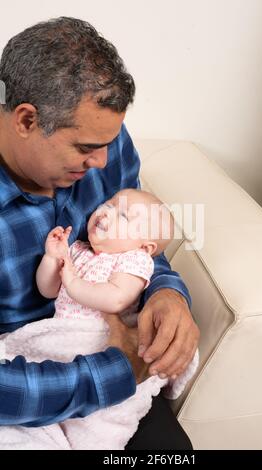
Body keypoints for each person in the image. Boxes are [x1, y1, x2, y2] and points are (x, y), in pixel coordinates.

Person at [0, 16, 199, 449]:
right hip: (28, 381)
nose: (105, 162)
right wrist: (115, 371)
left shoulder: (107, 145)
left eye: (111, 140)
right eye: (87, 148)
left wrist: (167, 292)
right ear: (26, 120)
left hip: (114, 355)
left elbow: (138, 245)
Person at [0, 188, 198, 449]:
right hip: (59, 337)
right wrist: (52, 258)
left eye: (124, 216)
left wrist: (72, 281)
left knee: (110, 425)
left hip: (98, 339)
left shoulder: (135, 261)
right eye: (108, 204)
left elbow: (115, 299)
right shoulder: (80, 249)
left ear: (145, 246)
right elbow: (48, 290)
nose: (106, 213)